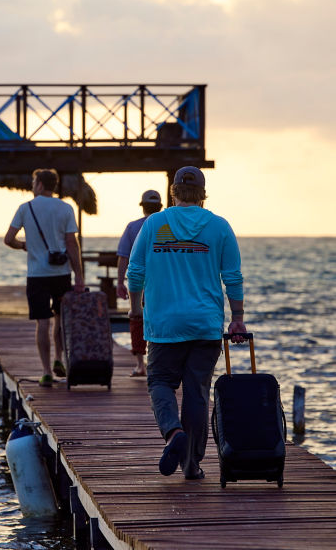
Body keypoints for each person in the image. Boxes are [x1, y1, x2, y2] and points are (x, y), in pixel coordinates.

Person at [126, 166, 247, 481]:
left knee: (160, 384)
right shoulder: (219, 227)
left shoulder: (155, 223)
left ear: (173, 192)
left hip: (165, 325)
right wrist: (237, 319)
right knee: (196, 392)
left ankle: (172, 433)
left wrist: (136, 308)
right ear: (203, 194)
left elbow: (135, 271)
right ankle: (192, 465)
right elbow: (232, 277)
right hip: (205, 324)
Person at [4, 168, 85, 387]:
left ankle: (47, 371)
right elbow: (71, 243)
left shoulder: (25, 208)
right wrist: (79, 275)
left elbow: (8, 239)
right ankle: (60, 359)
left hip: (37, 274)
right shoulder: (66, 208)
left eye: (33, 182)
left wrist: (24, 246)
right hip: (61, 273)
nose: (32, 185)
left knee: (42, 322)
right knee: (61, 318)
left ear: (39, 184)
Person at [116, 189, 163, 377]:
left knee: (137, 319)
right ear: (160, 207)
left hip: (138, 282)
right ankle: (155, 361)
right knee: (159, 318)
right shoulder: (168, 226)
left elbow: (123, 257)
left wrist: (120, 282)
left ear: (142, 207)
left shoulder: (133, 227)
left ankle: (139, 364)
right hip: (162, 282)